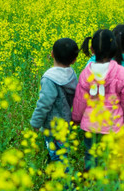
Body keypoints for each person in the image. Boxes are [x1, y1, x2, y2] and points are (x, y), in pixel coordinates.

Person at [72, 29, 124, 170]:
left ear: (92, 49)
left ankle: (91, 181)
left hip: (91, 124)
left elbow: (80, 100)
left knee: (91, 154)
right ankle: (118, 181)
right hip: (114, 123)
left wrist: (76, 118)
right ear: (115, 49)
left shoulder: (86, 73)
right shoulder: (122, 72)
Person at [30, 38, 79, 167]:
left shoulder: (49, 78)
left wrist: (35, 123)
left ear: (51, 53)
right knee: (63, 149)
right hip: (66, 122)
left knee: (57, 155)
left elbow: (44, 104)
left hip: (52, 127)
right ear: (74, 60)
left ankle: (64, 181)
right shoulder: (72, 75)